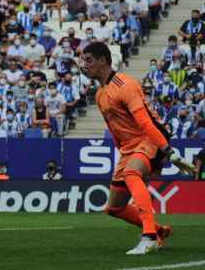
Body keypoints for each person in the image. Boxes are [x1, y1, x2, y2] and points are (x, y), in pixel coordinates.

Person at [81, 42, 191, 255]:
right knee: (114, 208)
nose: (84, 65)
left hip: (149, 138)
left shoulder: (125, 85)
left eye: (88, 60)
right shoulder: (100, 95)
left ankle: (149, 236)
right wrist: (122, 152)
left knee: (132, 172)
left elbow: (146, 123)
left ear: (103, 60)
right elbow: (115, 130)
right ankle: (159, 231)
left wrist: (168, 151)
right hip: (129, 148)